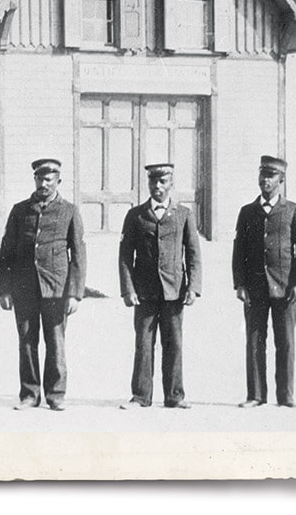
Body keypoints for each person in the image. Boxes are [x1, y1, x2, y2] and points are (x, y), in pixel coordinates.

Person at [0, 158, 85, 411]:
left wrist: (75, 294)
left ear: (58, 181)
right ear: (34, 179)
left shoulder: (69, 211)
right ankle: (29, 394)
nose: (43, 184)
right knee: (27, 342)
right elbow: (6, 252)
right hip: (24, 288)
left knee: (55, 342)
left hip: (56, 288)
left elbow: (78, 255)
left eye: (49, 179)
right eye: (39, 178)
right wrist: (4, 289)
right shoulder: (20, 210)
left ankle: (56, 395)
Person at [118, 163, 201, 410]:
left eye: (163, 181)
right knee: (143, 344)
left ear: (171, 184)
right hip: (144, 292)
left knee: (173, 343)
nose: (157, 186)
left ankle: (175, 396)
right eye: (153, 181)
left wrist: (193, 287)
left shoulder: (184, 214)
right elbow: (125, 256)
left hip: (174, 291)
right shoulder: (135, 215)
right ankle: (140, 396)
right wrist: (128, 289)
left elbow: (193, 254)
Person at [232, 155, 296, 408]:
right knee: (255, 341)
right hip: (255, 288)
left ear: (281, 180)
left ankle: (285, 396)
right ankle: (256, 395)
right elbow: (239, 251)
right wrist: (240, 284)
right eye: (262, 175)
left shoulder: (293, 210)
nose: (265, 180)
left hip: (285, 288)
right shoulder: (247, 212)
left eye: (271, 176)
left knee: (285, 342)